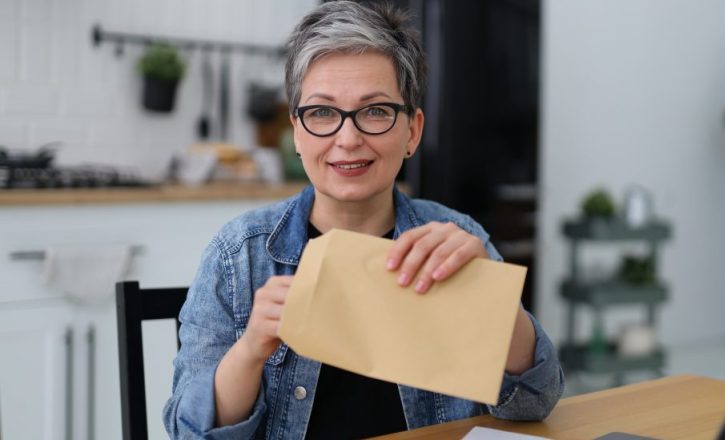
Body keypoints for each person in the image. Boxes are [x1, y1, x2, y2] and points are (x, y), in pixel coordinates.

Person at [163, 2, 564, 438]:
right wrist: (252, 349)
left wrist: (494, 304)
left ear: (412, 131)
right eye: (322, 113)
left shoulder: (458, 242)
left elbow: (535, 403)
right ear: (297, 132)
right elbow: (189, 431)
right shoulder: (237, 256)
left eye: (375, 111)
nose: (348, 139)